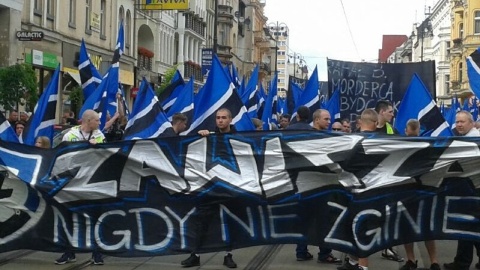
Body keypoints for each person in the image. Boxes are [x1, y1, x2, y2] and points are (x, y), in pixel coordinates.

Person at [181, 108, 237, 268]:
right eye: (218, 118)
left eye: (224, 118)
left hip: (230, 188)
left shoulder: (238, 138)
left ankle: (228, 255)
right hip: (210, 189)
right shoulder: (208, 136)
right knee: (202, 222)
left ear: (230, 120)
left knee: (229, 223)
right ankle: (195, 255)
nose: (220, 120)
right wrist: (201, 137)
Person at [287, 107, 341, 264]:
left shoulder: (315, 136)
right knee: (322, 220)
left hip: (308, 185)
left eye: (330, 119)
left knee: (306, 220)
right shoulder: (311, 137)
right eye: (326, 119)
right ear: (316, 120)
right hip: (315, 186)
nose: (329, 122)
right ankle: (324, 254)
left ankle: (302, 252)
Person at [55, 109, 105, 266]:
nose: (99, 123)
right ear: (88, 121)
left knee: (95, 218)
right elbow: (63, 156)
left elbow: (106, 156)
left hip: (92, 183)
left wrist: (97, 148)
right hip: (72, 184)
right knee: (70, 219)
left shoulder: (99, 136)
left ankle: (97, 253)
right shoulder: (70, 135)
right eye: (97, 120)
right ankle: (69, 252)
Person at [338, 109, 379, 270]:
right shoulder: (382, 141)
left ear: (360, 122)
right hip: (372, 191)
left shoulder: (350, 141)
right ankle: (354, 261)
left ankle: (362, 266)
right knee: (360, 227)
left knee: (357, 228)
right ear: (375, 123)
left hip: (351, 191)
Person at [400, 119, 440, 270]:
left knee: (409, 228)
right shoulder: (427, 145)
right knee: (425, 228)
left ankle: (412, 260)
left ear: (407, 130)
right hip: (422, 191)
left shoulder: (404, 145)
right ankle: (433, 261)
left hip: (410, 191)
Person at [444, 110, 480, 270]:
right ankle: (461, 261)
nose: (458, 124)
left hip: (475, 190)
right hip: (468, 189)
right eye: (457, 121)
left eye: (462, 122)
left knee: (469, 226)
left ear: (471, 123)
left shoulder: (474, 140)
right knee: (468, 226)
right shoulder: (465, 139)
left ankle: (462, 262)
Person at [374, 100, 403, 262]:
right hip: (369, 183)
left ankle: (388, 248)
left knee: (389, 216)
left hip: (388, 182)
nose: (393, 114)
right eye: (391, 112)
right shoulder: (366, 129)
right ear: (382, 112)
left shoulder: (393, 131)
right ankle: (358, 255)